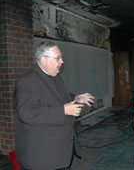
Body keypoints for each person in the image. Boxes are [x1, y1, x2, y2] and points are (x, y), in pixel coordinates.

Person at [13, 41, 95, 170]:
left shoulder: (54, 76)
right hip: (42, 157)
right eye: (57, 58)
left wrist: (76, 97)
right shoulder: (27, 81)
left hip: (59, 152)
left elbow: (58, 96)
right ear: (43, 59)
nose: (61, 62)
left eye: (61, 58)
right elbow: (27, 113)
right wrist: (63, 110)